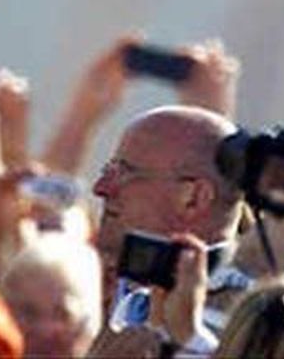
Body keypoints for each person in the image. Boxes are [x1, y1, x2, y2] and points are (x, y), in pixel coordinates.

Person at [88, 105, 250, 347]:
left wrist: (192, 343)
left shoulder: (251, 323)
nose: (100, 188)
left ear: (194, 198)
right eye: (108, 171)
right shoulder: (92, 289)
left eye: (124, 174)